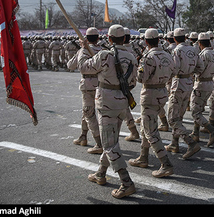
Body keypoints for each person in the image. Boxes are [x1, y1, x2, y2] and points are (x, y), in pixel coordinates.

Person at [78, 24, 137, 199]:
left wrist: (82, 50)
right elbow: (133, 82)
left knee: (109, 144)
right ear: (124, 38)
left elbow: (84, 67)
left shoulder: (104, 55)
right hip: (122, 102)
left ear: (109, 39)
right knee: (110, 140)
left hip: (106, 103)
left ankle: (126, 182)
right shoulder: (132, 57)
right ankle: (100, 173)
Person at [129, 28, 175, 178]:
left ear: (146, 41)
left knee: (150, 130)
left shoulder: (148, 57)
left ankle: (165, 164)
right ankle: (143, 157)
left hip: (150, 94)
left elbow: (141, 78)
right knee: (145, 126)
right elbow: (174, 72)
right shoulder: (167, 55)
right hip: (162, 92)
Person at [165, 27, 201, 159]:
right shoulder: (193, 49)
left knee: (172, 118)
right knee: (178, 116)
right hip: (189, 82)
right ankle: (174, 143)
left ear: (174, 39)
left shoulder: (177, 50)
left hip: (178, 83)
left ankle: (190, 142)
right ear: (185, 37)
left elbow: (174, 68)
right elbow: (200, 67)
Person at [67, 27, 104, 154]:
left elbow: (70, 66)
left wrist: (81, 50)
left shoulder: (83, 51)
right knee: (87, 111)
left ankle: (99, 143)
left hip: (88, 85)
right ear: (98, 38)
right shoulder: (103, 50)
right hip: (101, 84)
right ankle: (83, 136)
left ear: (86, 39)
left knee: (89, 113)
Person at [190, 32, 214, 147]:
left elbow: (199, 69)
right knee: (199, 109)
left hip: (201, 83)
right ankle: (195, 133)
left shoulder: (203, 54)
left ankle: (212, 131)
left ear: (199, 43)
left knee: (195, 112)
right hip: (210, 82)